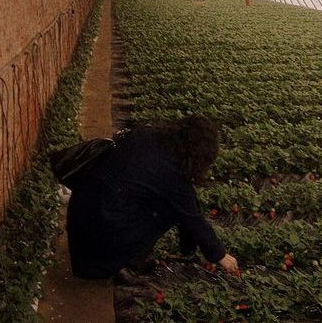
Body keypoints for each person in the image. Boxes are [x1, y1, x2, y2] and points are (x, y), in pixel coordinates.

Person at [66, 115, 239, 279]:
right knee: (167, 210)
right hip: (98, 242)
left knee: (167, 203)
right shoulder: (172, 175)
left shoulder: (147, 134)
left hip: (81, 216)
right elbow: (192, 217)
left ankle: (184, 248)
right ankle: (123, 260)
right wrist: (220, 255)